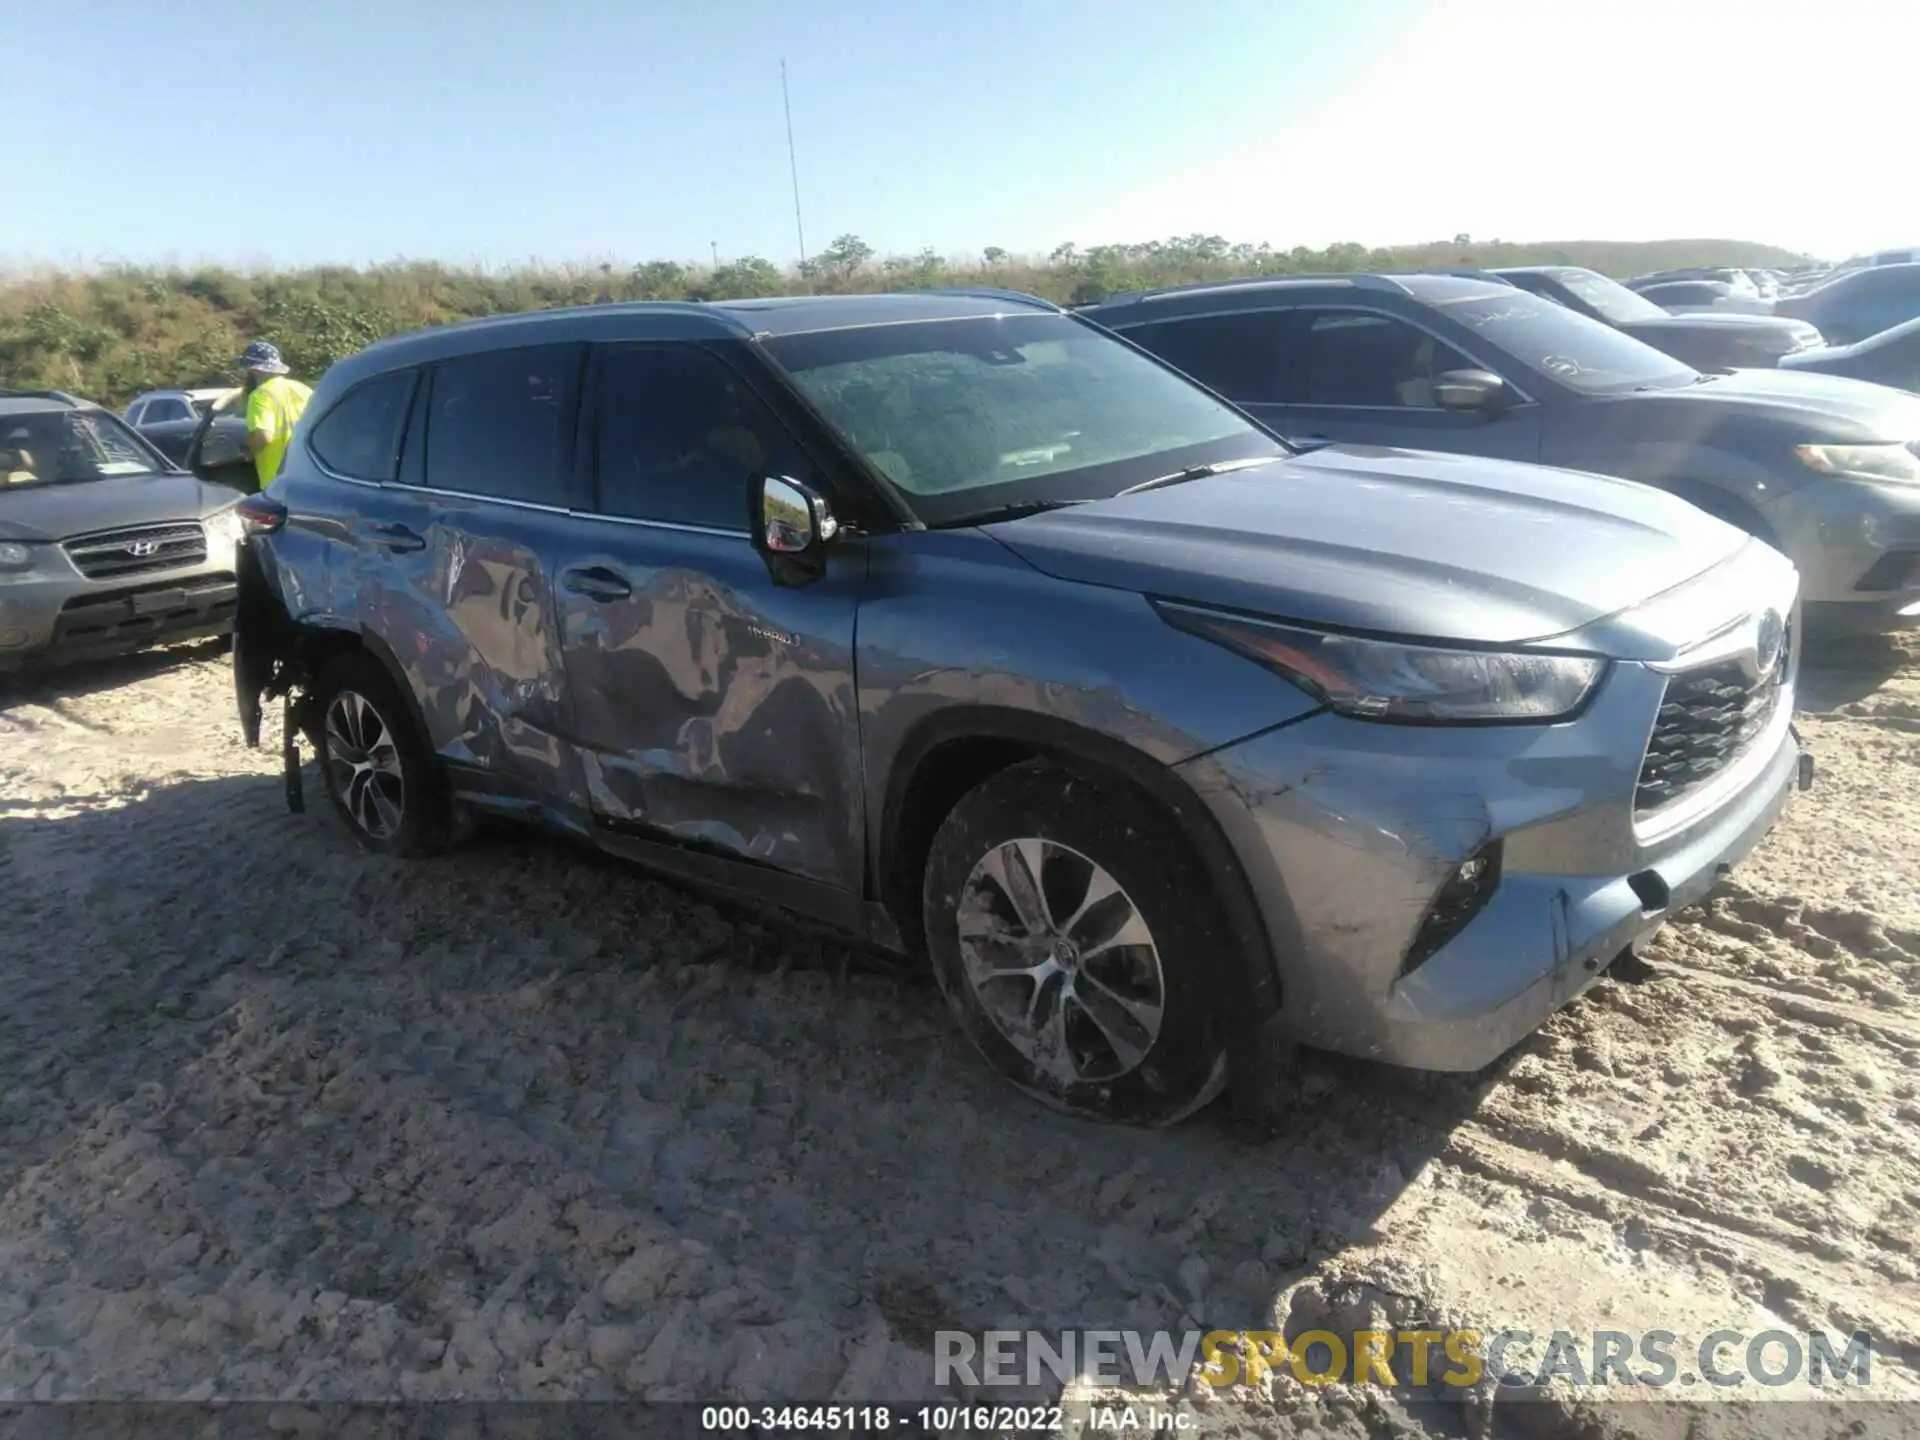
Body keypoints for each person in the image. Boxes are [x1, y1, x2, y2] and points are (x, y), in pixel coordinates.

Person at [237, 341, 313, 489]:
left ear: (254, 370)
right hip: (307, 474)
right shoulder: (303, 389)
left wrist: (246, 448)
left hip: (276, 480)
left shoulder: (261, 395)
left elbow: (263, 436)